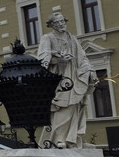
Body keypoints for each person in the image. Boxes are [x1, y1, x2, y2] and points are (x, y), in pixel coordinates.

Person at [37, 12, 96, 148]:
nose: (61, 24)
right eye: (57, 23)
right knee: (62, 107)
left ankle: (74, 139)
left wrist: (90, 71)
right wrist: (58, 59)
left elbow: (82, 57)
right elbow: (42, 57)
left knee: (75, 106)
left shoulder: (72, 39)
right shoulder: (48, 38)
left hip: (74, 76)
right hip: (59, 78)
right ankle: (58, 139)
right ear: (52, 25)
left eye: (62, 21)